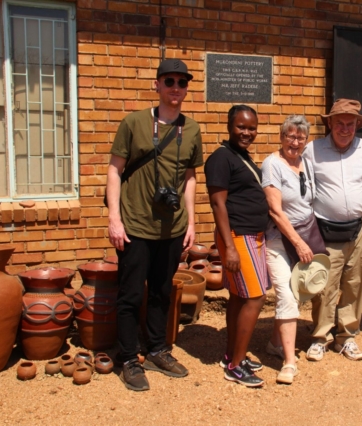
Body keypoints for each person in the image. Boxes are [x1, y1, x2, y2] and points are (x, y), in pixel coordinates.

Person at [106, 59, 201, 391]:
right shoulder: (133, 122)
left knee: (162, 291)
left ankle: (158, 349)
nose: (176, 88)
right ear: (157, 85)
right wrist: (114, 219)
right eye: (170, 81)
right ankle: (129, 358)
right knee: (131, 295)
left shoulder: (191, 129)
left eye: (182, 83)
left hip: (172, 227)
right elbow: (115, 170)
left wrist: (191, 221)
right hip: (134, 224)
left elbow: (190, 176)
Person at [303, 99, 362, 361]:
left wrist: (361, 206)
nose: (345, 129)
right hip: (325, 229)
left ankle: (346, 336)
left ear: (357, 125)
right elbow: (307, 189)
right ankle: (320, 337)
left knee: (355, 283)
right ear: (330, 123)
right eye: (340, 123)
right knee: (324, 285)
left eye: (351, 124)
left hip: (360, 230)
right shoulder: (312, 150)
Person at [205, 105, 270, 387]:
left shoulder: (239, 156)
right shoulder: (220, 158)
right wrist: (229, 247)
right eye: (241, 127)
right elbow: (218, 203)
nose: (247, 132)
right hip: (238, 237)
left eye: (252, 128)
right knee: (255, 297)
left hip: (250, 236)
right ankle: (235, 367)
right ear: (230, 126)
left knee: (239, 297)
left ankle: (233, 355)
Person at [261, 115, 316, 384]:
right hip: (279, 241)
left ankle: (274, 343)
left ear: (306, 140)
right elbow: (275, 210)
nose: (295, 142)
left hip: (304, 235)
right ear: (281, 137)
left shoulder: (306, 163)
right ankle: (289, 361)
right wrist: (298, 242)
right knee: (287, 294)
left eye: (300, 137)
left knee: (296, 292)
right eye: (290, 136)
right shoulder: (272, 165)